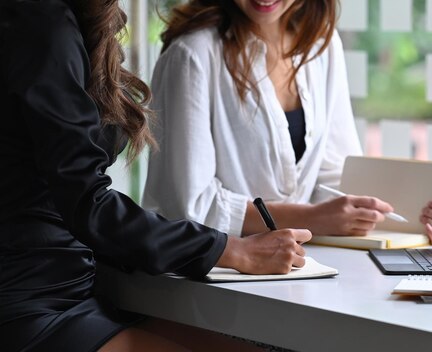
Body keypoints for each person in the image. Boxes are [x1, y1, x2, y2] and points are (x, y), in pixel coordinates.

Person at [0, 0, 311, 351]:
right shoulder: (39, 21)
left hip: (75, 285)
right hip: (34, 303)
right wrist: (231, 250)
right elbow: (87, 202)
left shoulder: (57, 18)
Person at [144, 0, 432, 244]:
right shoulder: (193, 55)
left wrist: (414, 215)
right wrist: (312, 218)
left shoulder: (321, 44)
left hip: (298, 263)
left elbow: (334, 176)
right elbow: (191, 206)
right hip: (213, 274)